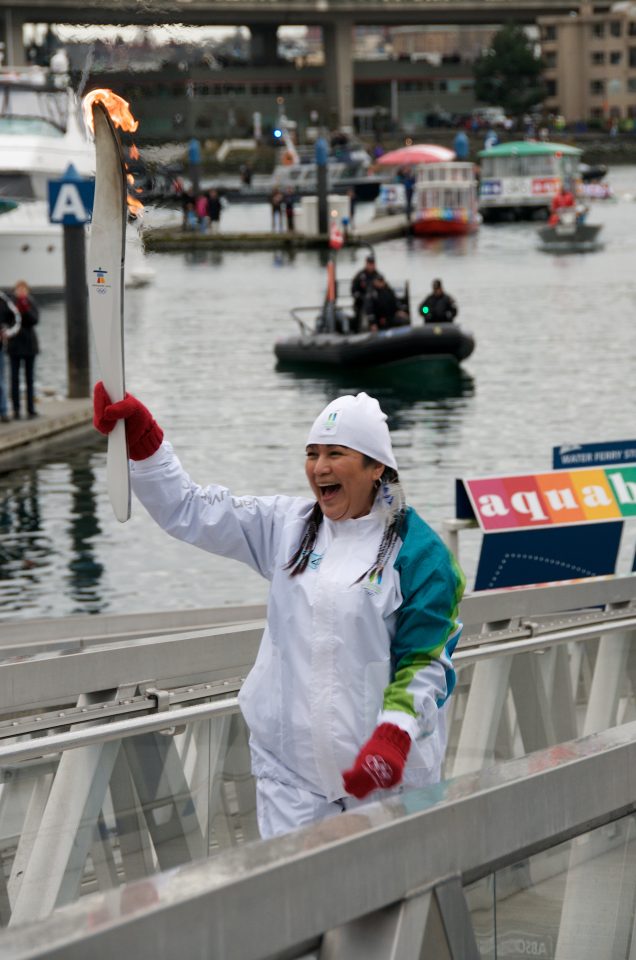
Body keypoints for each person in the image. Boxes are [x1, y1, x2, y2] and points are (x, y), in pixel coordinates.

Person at [92, 387, 465, 839]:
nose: (319, 467)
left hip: (387, 777)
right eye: (312, 453)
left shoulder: (421, 555)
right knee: (297, 904)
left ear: (377, 468)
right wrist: (144, 443)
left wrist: (395, 734)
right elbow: (189, 510)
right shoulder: (288, 527)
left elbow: (426, 661)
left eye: (335, 453)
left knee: (382, 906)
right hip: (291, 777)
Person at [5, 281, 39, 419]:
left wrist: (25, 309)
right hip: (15, 346)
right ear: (15, 290)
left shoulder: (30, 303)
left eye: (24, 289)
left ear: (27, 290)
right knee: (14, 379)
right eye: (19, 289)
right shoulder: (10, 305)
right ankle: (16, 410)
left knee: (30, 379)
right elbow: (7, 321)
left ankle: (31, 409)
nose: (21, 291)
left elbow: (35, 320)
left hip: (30, 345)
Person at [0, 292, 20, 423]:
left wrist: (7, 333)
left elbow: (16, 318)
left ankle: (3, 411)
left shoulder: (2, 299)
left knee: (1, 381)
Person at [350, 255, 379, 331]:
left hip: (375, 302)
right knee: (366, 306)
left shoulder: (377, 275)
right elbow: (354, 291)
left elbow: (384, 288)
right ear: (366, 264)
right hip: (362, 303)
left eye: (372, 264)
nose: (371, 266)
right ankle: (364, 329)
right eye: (369, 264)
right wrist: (363, 297)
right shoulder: (360, 276)